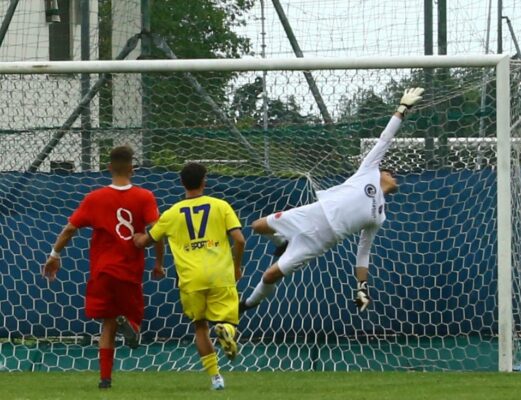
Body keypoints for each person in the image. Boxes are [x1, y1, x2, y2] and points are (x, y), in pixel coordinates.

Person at [239, 87, 425, 314]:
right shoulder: (368, 171)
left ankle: (246, 305)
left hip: (319, 241)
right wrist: (402, 109)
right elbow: (385, 139)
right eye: (390, 172)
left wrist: (362, 287)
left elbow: (363, 252)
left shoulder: (379, 215)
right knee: (257, 226)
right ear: (380, 174)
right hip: (311, 214)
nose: (393, 176)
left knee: (270, 275)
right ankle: (282, 242)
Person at [42, 145, 164, 389]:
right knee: (132, 317)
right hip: (129, 271)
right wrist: (158, 263)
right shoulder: (144, 197)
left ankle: (105, 379)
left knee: (106, 323)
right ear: (132, 169)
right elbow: (157, 232)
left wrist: (55, 255)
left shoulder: (94, 198)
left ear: (108, 168)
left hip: (103, 271)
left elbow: (69, 229)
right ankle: (131, 326)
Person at [133, 162, 245, 391]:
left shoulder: (171, 213)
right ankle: (227, 331)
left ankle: (216, 379)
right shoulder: (220, 206)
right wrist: (236, 265)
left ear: (182, 183)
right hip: (219, 274)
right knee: (228, 321)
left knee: (200, 326)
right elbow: (240, 240)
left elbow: (146, 241)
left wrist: (136, 237)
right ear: (204, 181)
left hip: (191, 279)